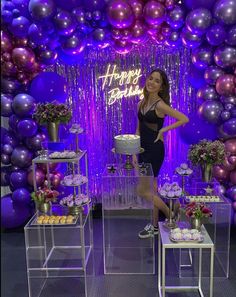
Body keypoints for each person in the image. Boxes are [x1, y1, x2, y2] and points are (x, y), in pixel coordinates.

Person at [133, 69, 189, 239]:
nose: (152, 82)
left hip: (155, 150)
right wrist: (134, 152)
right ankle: (155, 226)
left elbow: (183, 119)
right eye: (151, 79)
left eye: (157, 81)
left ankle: (170, 213)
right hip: (142, 150)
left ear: (161, 86)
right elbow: (138, 129)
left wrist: (164, 129)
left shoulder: (160, 105)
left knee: (143, 191)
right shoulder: (141, 103)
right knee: (152, 190)